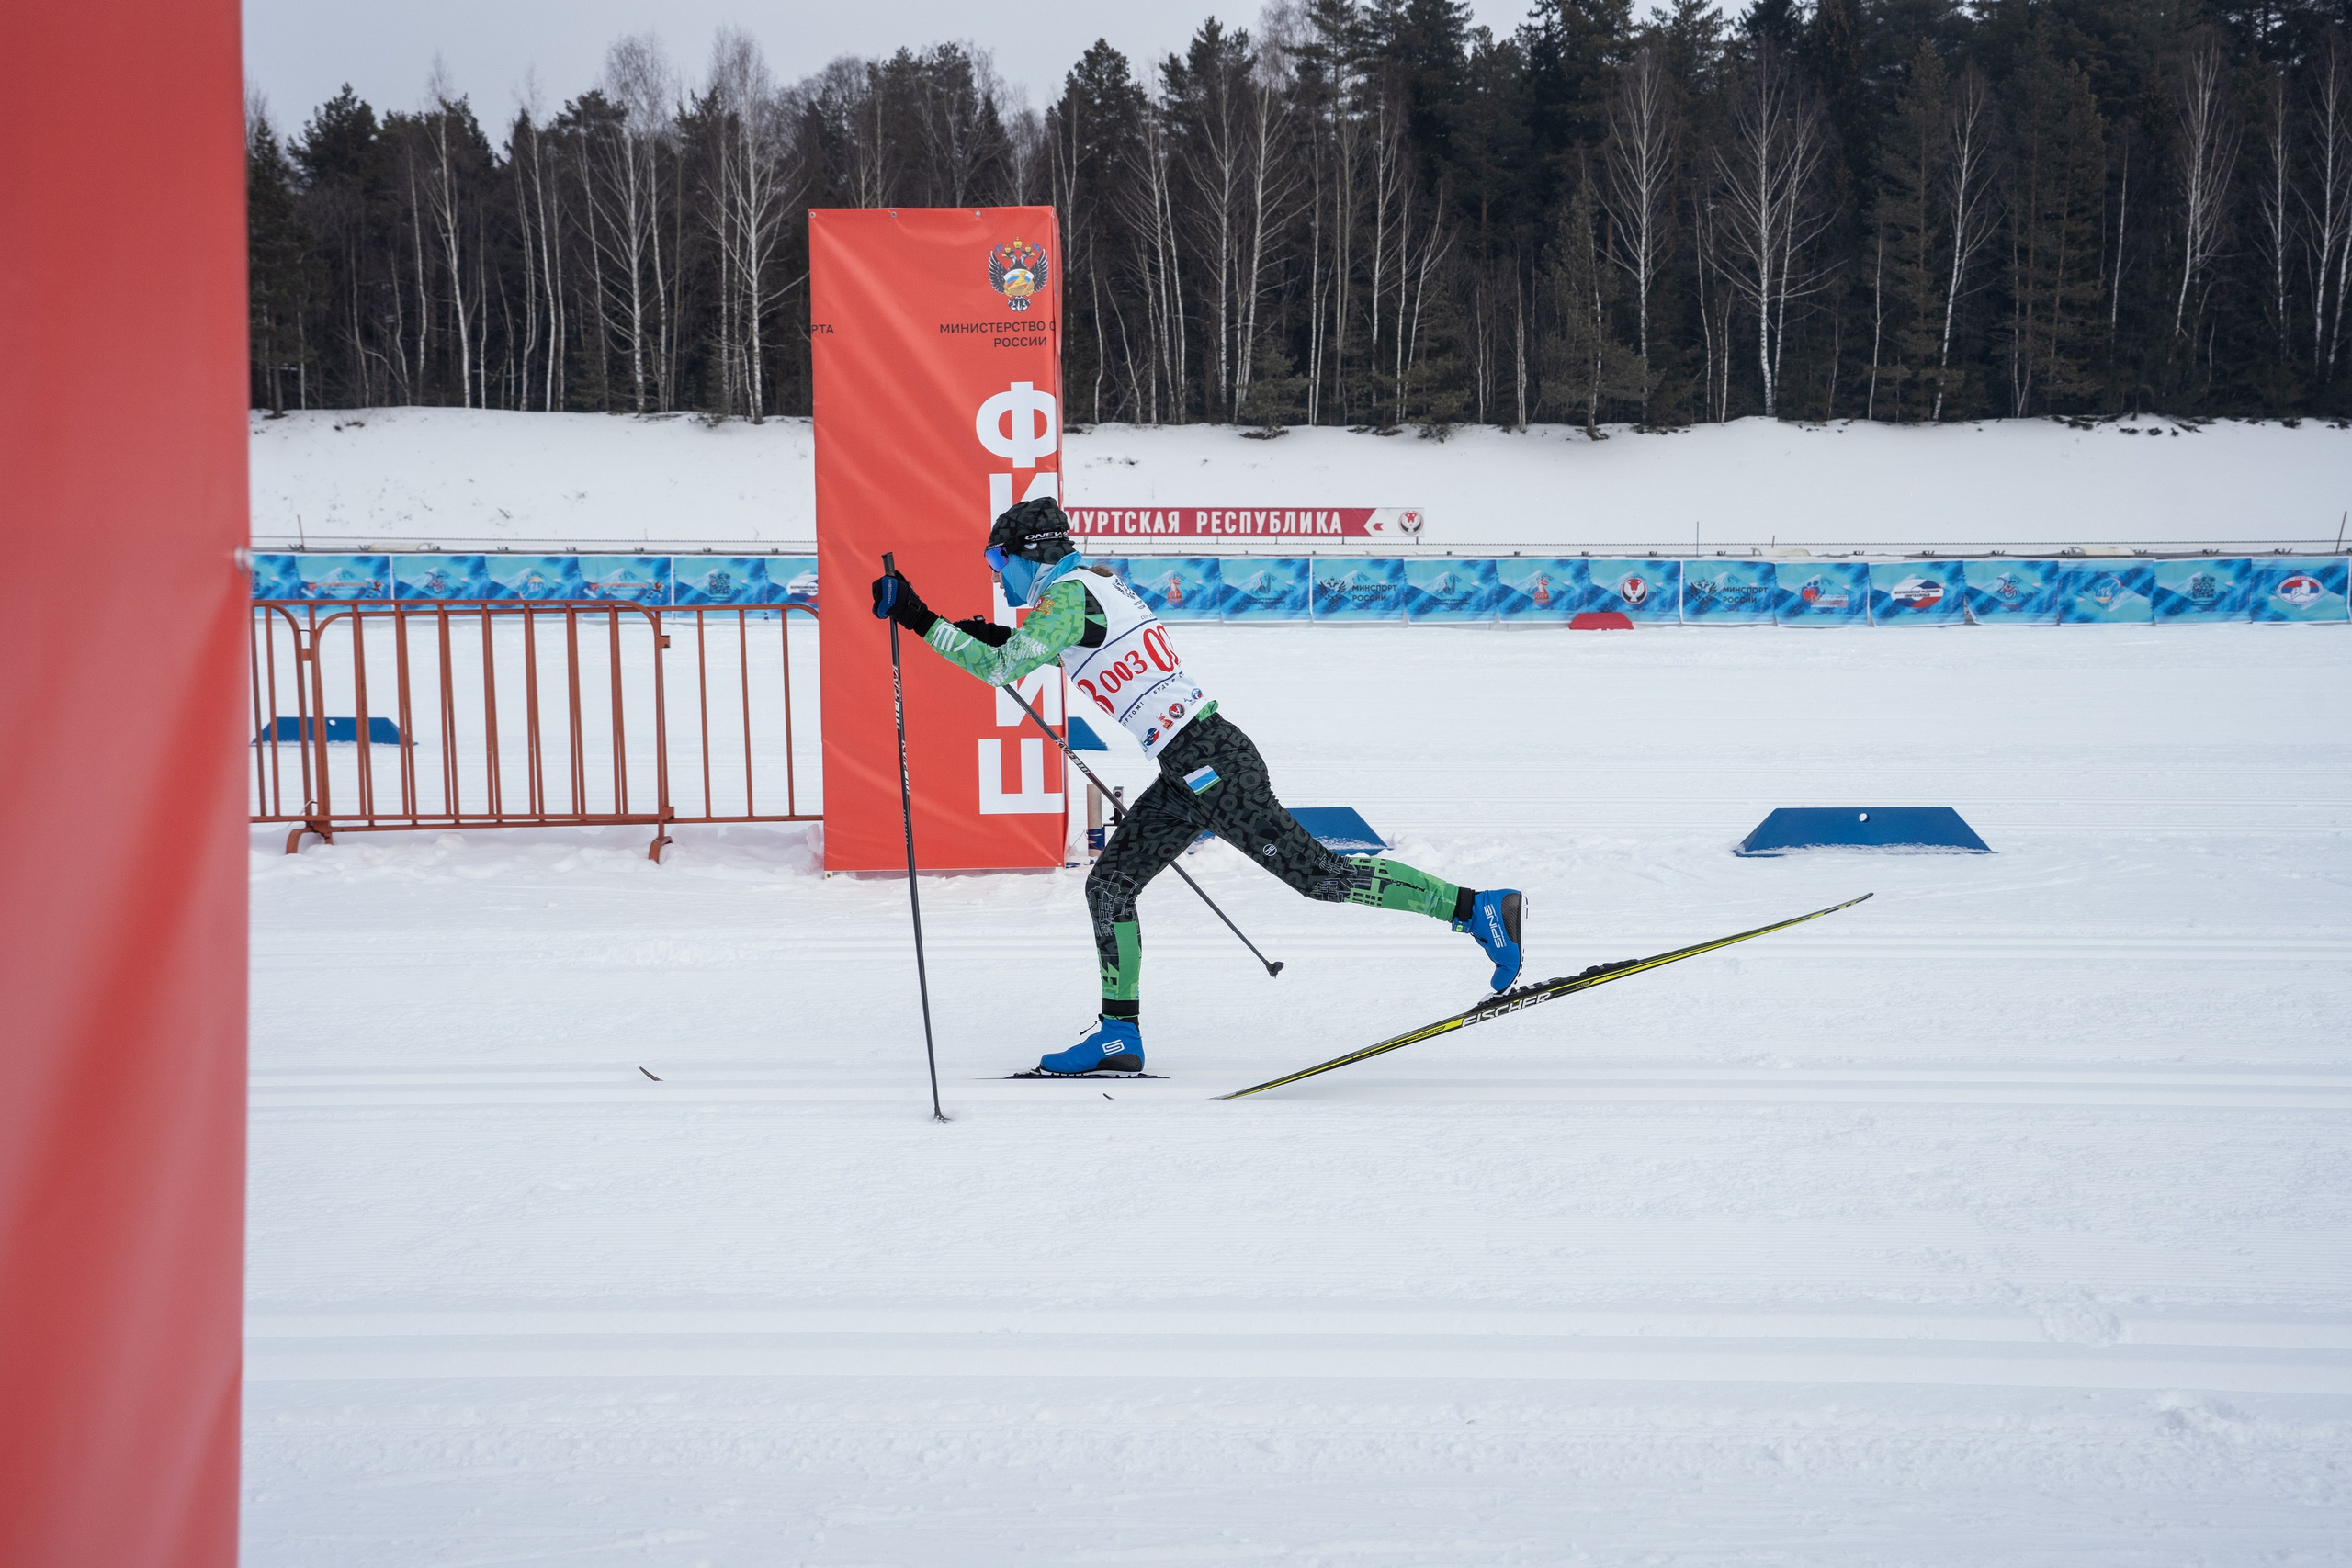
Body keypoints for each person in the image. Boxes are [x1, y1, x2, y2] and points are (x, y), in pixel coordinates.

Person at [872, 498, 1523, 1077]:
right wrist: (998, 634)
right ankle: (1118, 1036)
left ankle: (1476, 909)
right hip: (1189, 765)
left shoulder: (1067, 594)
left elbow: (999, 667)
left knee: (1321, 877)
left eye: (997, 559)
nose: (994, 573)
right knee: (1111, 884)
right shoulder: (1087, 583)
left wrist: (917, 615)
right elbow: (1048, 646)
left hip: (1210, 762)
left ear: (1030, 555)